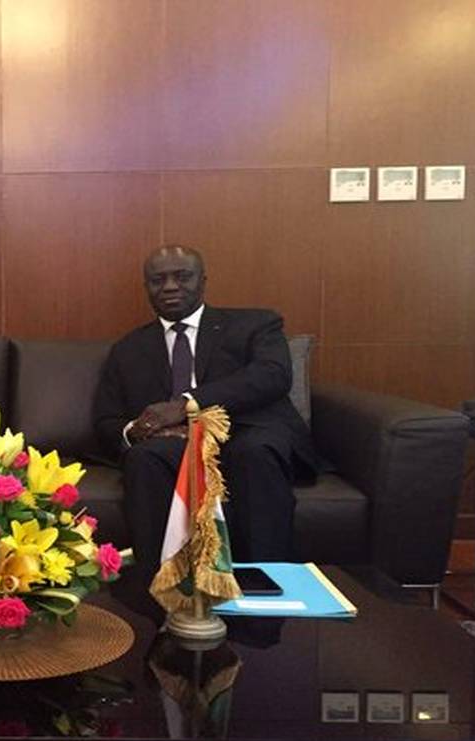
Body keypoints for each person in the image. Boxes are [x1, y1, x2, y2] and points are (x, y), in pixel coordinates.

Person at [94, 244, 316, 604]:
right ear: (147, 288)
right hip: (174, 445)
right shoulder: (128, 349)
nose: (169, 286)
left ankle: (265, 593)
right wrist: (137, 430)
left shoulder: (255, 324)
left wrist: (185, 405)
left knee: (254, 453)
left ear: (203, 281)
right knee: (143, 458)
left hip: (247, 432)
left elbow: (272, 376)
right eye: (158, 280)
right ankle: (162, 594)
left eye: (182, 277)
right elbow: (107, 419)